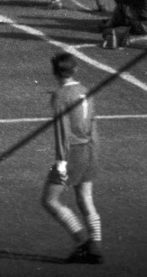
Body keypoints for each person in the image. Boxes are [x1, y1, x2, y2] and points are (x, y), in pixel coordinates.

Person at [42, 53, 104, 265]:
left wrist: (61, 162)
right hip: (90, 150)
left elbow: (62, 130)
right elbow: (93, 124)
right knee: (86, 199)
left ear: (54, 72)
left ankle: (83, 243)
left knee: (50, 200)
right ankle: (95, 246)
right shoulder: (85, 91)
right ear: (75, 70)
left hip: (73, 154)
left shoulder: (60, 96)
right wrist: (94, 152)